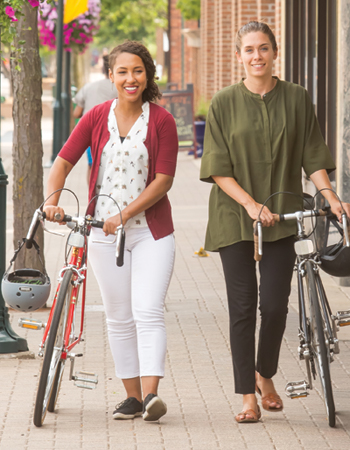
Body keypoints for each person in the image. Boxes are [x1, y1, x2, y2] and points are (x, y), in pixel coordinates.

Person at [200, 21, 350, 423]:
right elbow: (217, 168)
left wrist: (333, 198)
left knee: (275, 306)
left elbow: (313, 156)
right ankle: (247, 395)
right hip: (235, 216)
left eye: (263, 48)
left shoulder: (298, 99)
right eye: (249, 50)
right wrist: (250, 204)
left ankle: (265, 374)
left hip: (282, 216)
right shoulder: (223, 103)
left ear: (274, 52)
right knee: (243, 307)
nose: (257, 56)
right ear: (239, 57)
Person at [44, 41, 179, 422]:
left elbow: (164, 181)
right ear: (111, 76)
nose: (130, 79)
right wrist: (53, 200)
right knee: (119, 315)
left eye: (137, 71)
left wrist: (124, 216)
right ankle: (132, 397)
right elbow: (62, 162)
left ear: (147, 75)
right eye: (122, 72)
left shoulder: (162, 121)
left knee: (147, 309)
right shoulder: (96, 116)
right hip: (102, 234)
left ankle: (152, 395)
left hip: (150, 233)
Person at [73, 55, 118, 182]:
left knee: (92, 166)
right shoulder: (119, 89)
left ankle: (93, 197)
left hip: (91, 133)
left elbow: (76, 113)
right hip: (113, 132)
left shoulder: (88, 87)